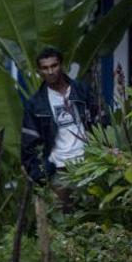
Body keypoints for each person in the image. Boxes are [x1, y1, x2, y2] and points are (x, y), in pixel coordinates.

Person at [21, 47, 104, 196]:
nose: (51, 71)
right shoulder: (35, 103)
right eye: (45, 68)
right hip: (58, 169)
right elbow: (28, 144)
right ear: (39, 71)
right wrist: (39, 173)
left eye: (54, 65)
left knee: (92, 213)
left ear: (62, 65)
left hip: (87, 163)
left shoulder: (81, 90)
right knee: (63, 216)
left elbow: (102, 122)